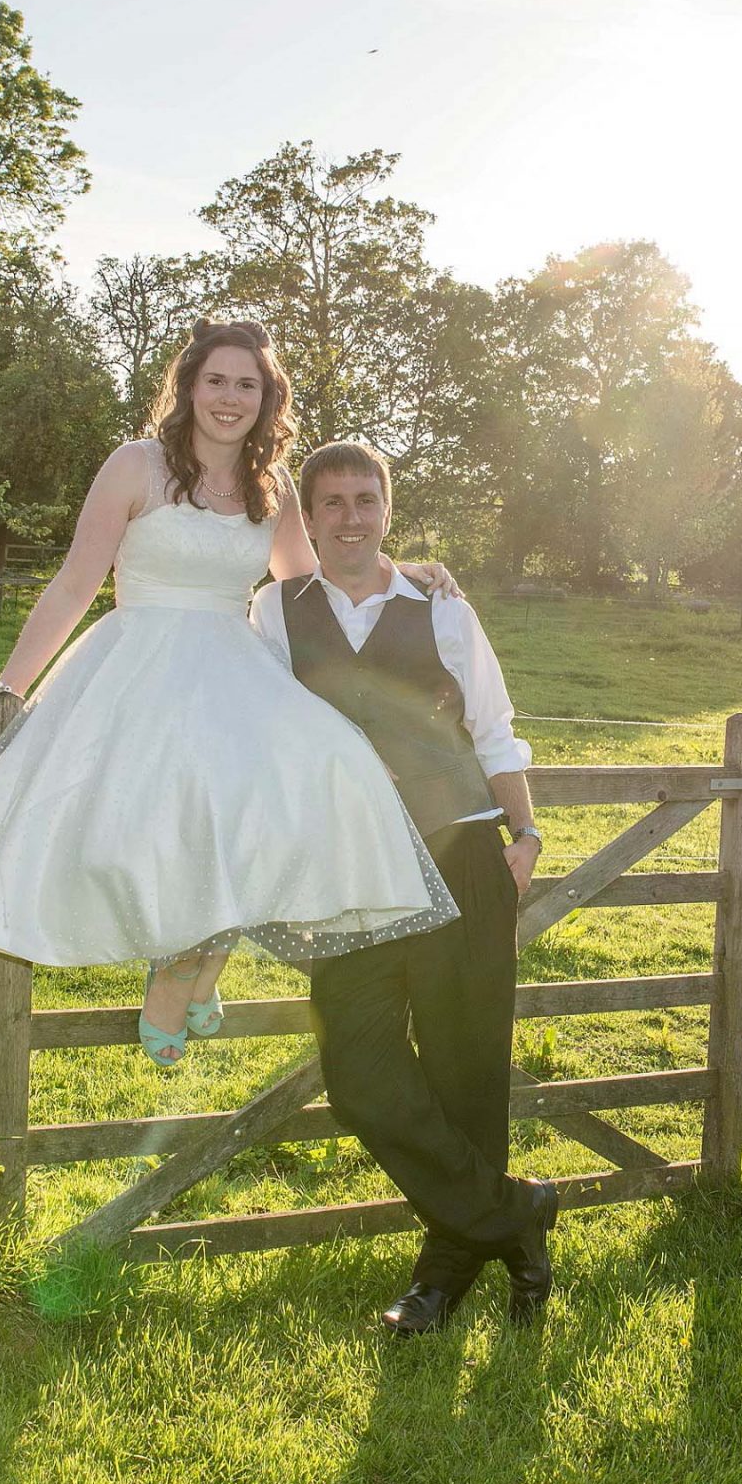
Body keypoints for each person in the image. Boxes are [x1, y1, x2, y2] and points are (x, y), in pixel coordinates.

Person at [0, 321, 466, 1068]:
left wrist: (406, 571)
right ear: (189, 386)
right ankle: (178, 970)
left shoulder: (269, 487)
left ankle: (202, 961)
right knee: (172, 816)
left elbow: (317, 578)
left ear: (267, 397)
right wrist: (10, 684)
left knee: (316, 775)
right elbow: (77, 582)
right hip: (137, 664)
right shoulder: (135, 466)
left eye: (248, 384)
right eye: (216, 381)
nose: (230, 398)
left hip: (235, 670)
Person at [248, 440, 559, 1335]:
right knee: (360, 1073)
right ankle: (513, 1214)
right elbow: (264, 740)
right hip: (348, 874)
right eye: (332, 502)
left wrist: (526, 832)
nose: (350, 517)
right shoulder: (274, 613)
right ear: (306, 518)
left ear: (390, 507)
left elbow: (496, 731)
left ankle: (442, 1274)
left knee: (467, 1068)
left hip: (460, 853)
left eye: (365, 499)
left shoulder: (444, 611)